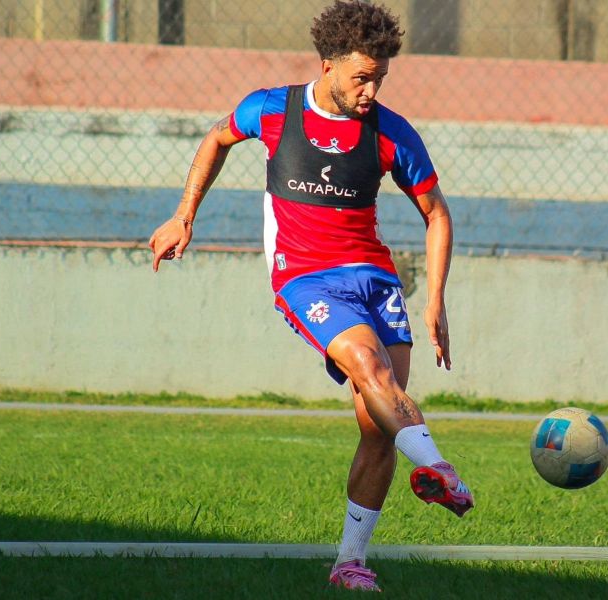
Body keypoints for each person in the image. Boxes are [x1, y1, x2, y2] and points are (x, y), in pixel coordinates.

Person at [148, 0, 473, 592]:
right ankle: (440, 469)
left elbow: (437, 214)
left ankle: (349, 562)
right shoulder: (273, 108)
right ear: (327, 65)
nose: (372, 89)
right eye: (362, 77)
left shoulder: (391, 134)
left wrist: (435, 300)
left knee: (380, 425)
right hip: (304, 275)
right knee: (371, 369)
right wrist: (183, 215)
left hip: (375, 278)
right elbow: (216, 139)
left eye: (380, 78)